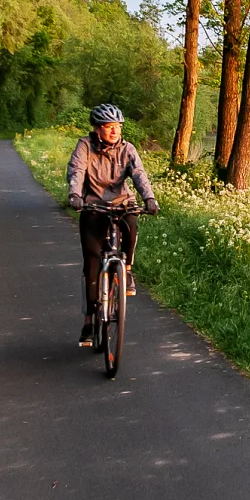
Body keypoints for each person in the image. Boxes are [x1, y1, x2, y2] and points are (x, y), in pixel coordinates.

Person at [66, 103, 159, 346]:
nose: (115, 131)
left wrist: (149, 198)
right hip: (93, 207)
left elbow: (139, 174)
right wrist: (75, 195)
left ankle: (126, 269)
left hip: (121, 203)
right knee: (92, 263)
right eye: (109, 127)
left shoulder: (127, 149)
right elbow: (76, 171)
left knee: (132, 223)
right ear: (97, 129)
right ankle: (89, 322)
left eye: (118, 127)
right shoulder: (85, 147)